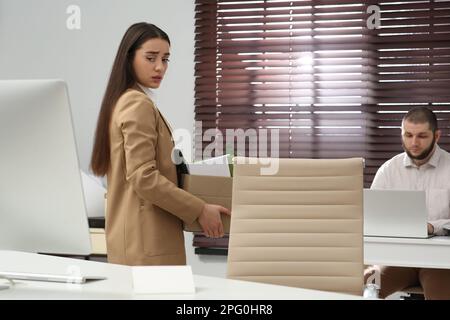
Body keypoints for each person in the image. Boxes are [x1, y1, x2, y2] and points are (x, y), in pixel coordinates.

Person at [90, 22, 230, 266]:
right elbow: (144, 177)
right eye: (151, 57)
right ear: (128, 57)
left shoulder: (122, 101)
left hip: (132, 241)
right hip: (147, 245)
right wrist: (199, 209)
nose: (160, 67)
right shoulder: (137, 104)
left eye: (165, 59)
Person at [365, 107, 450, 300]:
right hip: (398, 258)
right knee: (366, 287)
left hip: (442, 261)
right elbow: (372, 217)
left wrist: (432, 227)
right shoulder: (388, 170)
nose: (414, 143)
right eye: (408, 135)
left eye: (422, 136)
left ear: (436, 136)